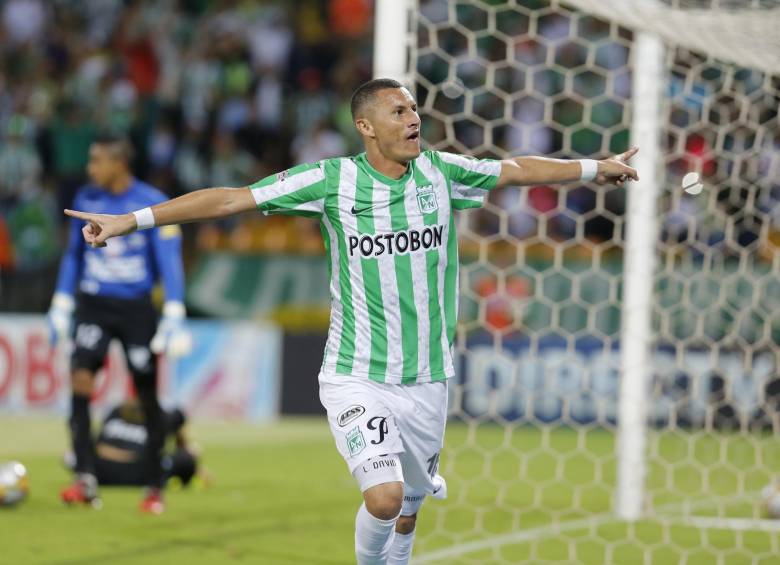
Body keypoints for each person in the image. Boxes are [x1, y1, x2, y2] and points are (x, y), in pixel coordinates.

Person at [65, 79, 638, 563]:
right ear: (367, 127)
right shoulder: (333, 182)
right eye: (399, 111)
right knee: (385, 497)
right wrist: (131, 221)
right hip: (356, 372)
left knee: (408, 511)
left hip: (429, 378)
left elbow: (514, 170)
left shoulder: (441, 174)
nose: (413, 118)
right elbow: (232, 200)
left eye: (414, 108)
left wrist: (594, 167)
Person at [49, 134, 191, 514]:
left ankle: (153, 485)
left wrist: (174, 309)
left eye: (97, 161)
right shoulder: (86, 199)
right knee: (80, 378)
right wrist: (62, 301)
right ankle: (84, 477)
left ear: (119, 164)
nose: (90, 168)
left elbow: (169, 257)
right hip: (94, 304)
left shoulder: (150, 201)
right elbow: (72, 255)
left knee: (146, 397)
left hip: (136, 310)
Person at [63, 400, 199, 490]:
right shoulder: (160, 416)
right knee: (189, 456)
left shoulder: (116, 411)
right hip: (142, 473)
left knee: (72, 457)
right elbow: (180, 418)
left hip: (100, 473)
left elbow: (99, 446)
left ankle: (82, 470)